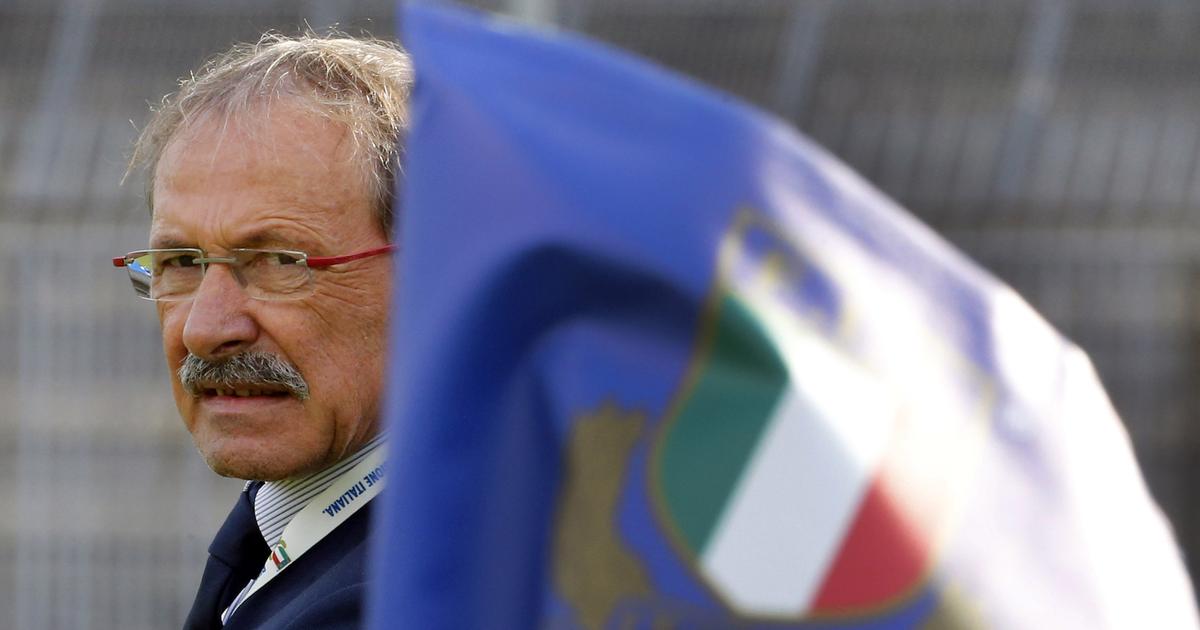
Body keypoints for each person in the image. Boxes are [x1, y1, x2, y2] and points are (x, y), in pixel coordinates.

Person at [113, 33, 412, 629]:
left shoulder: (420, 597)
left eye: (278, 261)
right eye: (183, 263)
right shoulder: (287, 527)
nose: (203, 329)